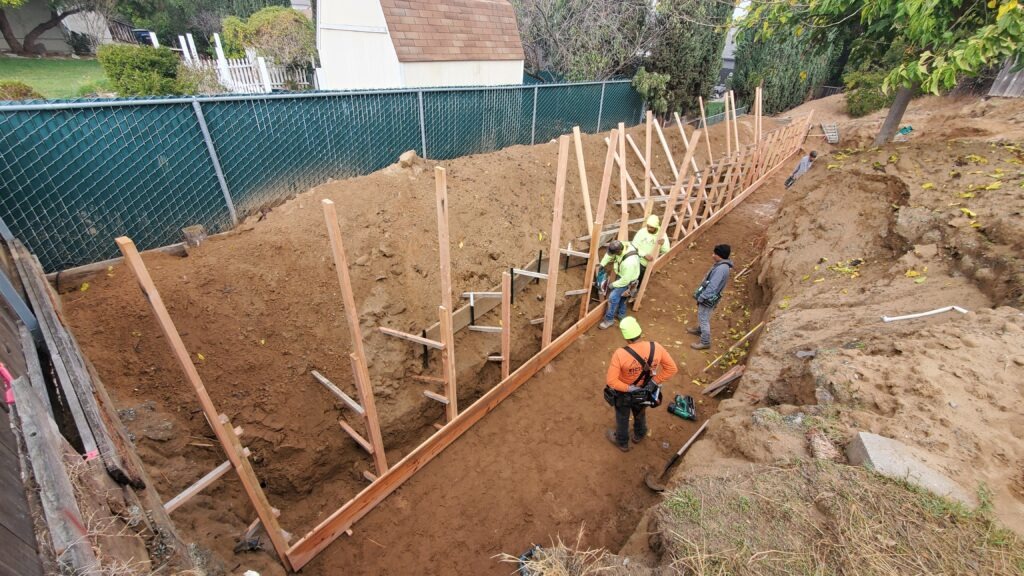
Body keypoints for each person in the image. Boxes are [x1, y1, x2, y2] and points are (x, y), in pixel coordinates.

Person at [604, 317, 678, 452]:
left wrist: (629, 388)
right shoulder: (656, 347)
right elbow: (672, 369)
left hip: (624, 393)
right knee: (640, 412)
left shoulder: (620, 354)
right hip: (645, 391)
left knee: (622, 416)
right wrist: (654, 382)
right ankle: (639, 434)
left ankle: (622, 442)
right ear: (639, 331)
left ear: (625, 337)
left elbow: (611, 381)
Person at [688, 244, 733, 350]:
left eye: (715, 254)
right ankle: (700, 330)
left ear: (720, 255)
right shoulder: (723, 266)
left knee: (703, 318)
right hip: (712, 296)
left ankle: (705, 342)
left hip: (709, 297)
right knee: (704, 315)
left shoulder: (721, 268)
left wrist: (702, 296)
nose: (713, 255)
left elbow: (713, 286)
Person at [597, 239, 640, 330]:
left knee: (613, 298)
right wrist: (602, 264)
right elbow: (608, 255)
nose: (611, 255)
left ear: (618, 251)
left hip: (627, 280)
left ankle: (609, 320)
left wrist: (612, 285)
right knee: (623, 296)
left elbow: (625, 280)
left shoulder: (629, 263)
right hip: (623, 275)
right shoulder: (623, 245)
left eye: (613, 253)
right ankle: (621, 315)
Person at [630, 214, 669, 287]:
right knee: (630, 279)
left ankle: (634, 293)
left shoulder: (662, 234)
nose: (649, 229)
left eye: (651, 227)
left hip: (649, 266)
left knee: (639, 282)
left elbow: (666, 251)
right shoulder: (642, 232)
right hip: (637, 261)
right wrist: (643, 254)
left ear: (656, 227)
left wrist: (663, 244)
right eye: (648, 226)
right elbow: (633, 246)